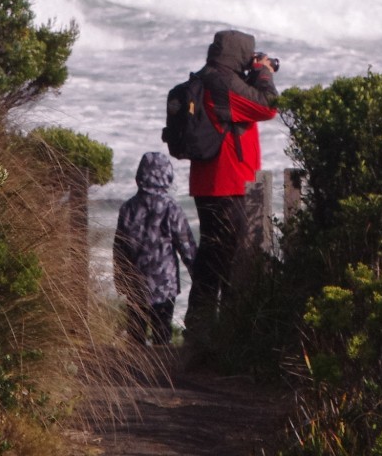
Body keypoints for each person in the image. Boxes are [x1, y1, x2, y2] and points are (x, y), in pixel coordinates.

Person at [184, 28, 278, 337]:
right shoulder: (224, 83)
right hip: (230, 185)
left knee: (212, 258)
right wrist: (264, 72)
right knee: (231, 264)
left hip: (208, 183)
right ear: (239, 55)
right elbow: (266, 106)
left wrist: (252, 75)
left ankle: (200, 333)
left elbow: (238, 105)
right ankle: (222, 337)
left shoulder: (205, 78)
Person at [113, 151, 195, 345]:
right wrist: (198, 276)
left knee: (135, 335)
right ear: (167, 175)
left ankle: (134, 372)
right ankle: (163, 372)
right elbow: (187, 247)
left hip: (135, 285)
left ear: (140, 175)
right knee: (161, 335)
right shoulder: (171, 208)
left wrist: (120, 280)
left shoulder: (128, 208)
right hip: (164, 286)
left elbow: (119, 249)